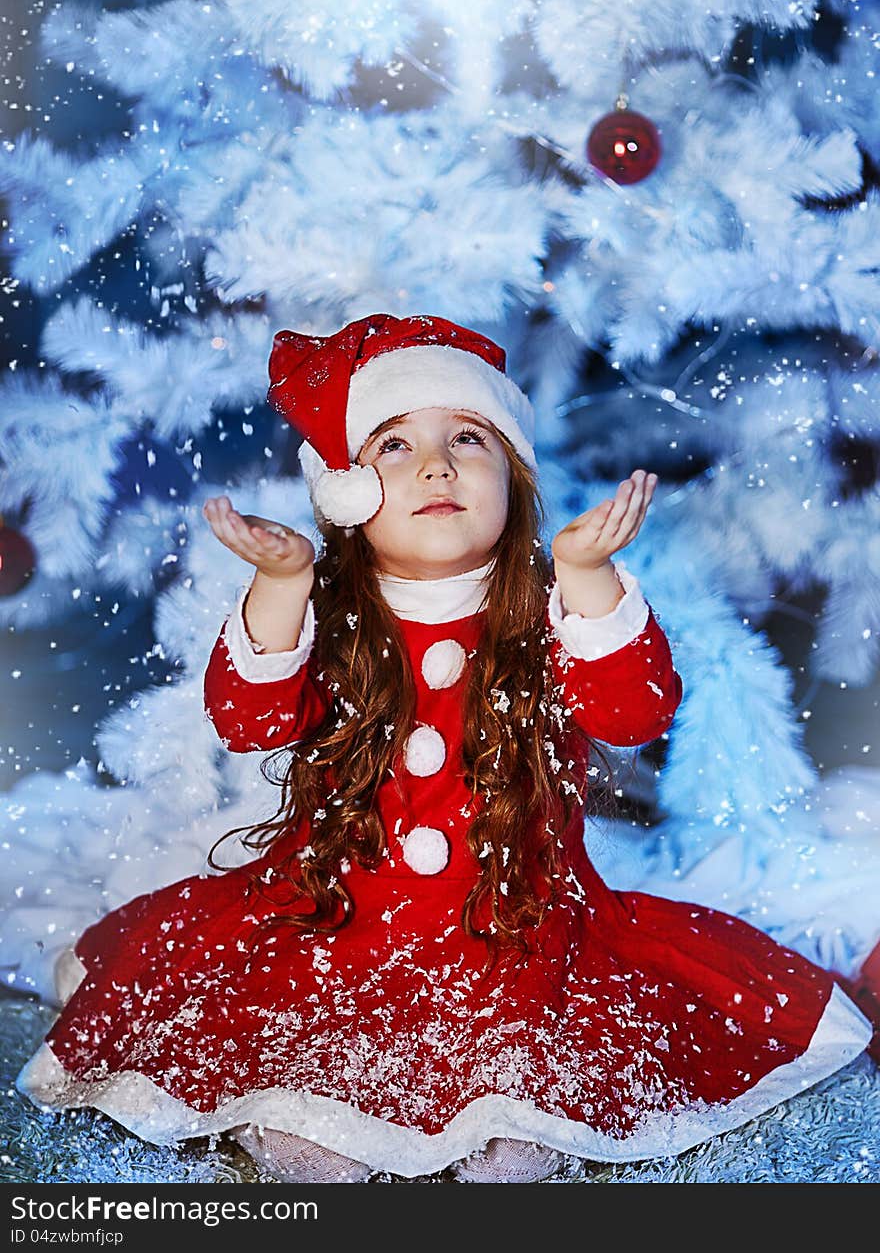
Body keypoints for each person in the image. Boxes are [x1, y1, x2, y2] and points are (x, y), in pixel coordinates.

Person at [17, 313, 872, 1184]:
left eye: (469, 437)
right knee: (301, 1082)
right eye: (394, 445)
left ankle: (511, 1107)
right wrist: (280, 587)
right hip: (337, 918)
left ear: (514, 481)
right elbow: (250, 719)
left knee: (527, 1110)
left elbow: (635, 712)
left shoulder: (546, 612)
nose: (436, 464)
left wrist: (588, 578)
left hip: (520, 925)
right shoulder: (334, 614)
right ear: (349, 493)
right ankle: (312, 1104)